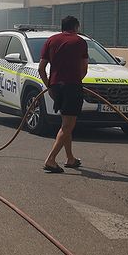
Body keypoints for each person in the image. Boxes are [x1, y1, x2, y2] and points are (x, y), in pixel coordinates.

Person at [36, 15, 88, 174]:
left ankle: (70, 158)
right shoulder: (80, 42)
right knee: (68, 125)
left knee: (66, 123)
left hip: (56, 86)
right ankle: (50, 160)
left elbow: (41, 68)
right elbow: (84, 69)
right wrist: (75, 83)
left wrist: (50, 86)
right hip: (72, 87)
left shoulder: (51, 40)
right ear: (76, 27)